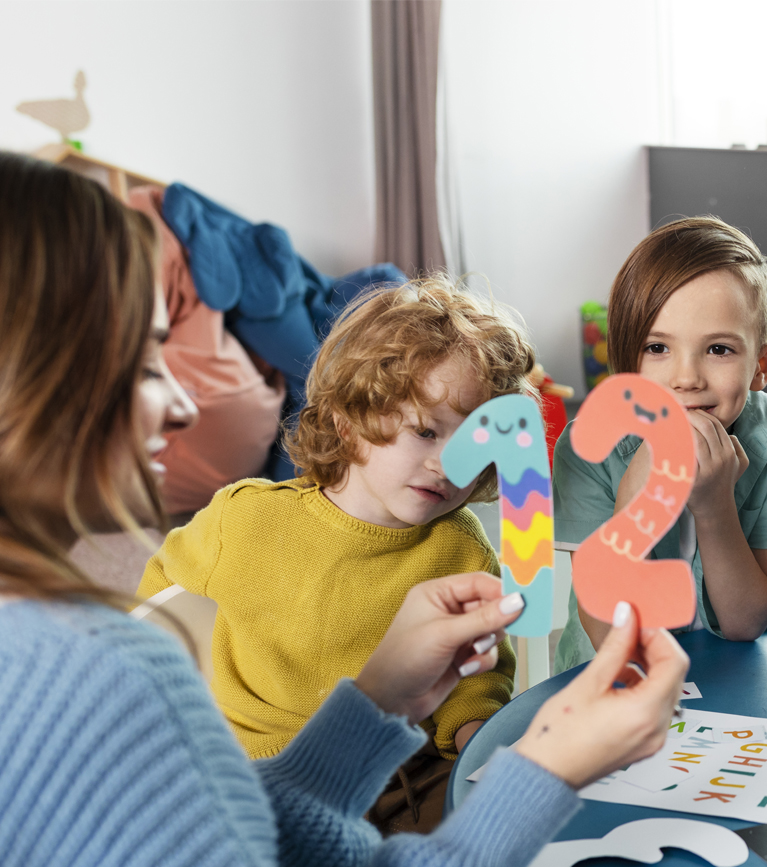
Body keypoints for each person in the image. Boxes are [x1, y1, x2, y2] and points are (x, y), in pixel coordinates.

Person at [0, 151, 690, 867]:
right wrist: (541, 774)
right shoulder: (109, 675)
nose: (181, 402)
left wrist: (372, 705)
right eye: (142, 358)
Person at [138, 275, 534, 764]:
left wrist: (475, 732)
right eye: (426, 431)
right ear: (348, 422)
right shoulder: (243, 519)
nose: (449, 464)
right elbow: (153, 606)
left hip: (409, 769)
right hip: (266, 769)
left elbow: (476, 673)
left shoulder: (463, 546)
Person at [553, 216, 767, 673]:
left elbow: (745, 622)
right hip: (610, 685)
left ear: (762, 365)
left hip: (726, 681)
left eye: (719, 350)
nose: (687, 379)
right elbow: (607, 635)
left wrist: (715, 508)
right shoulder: (585, 449)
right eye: (657, 348)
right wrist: (637, 499)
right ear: (624, 364)